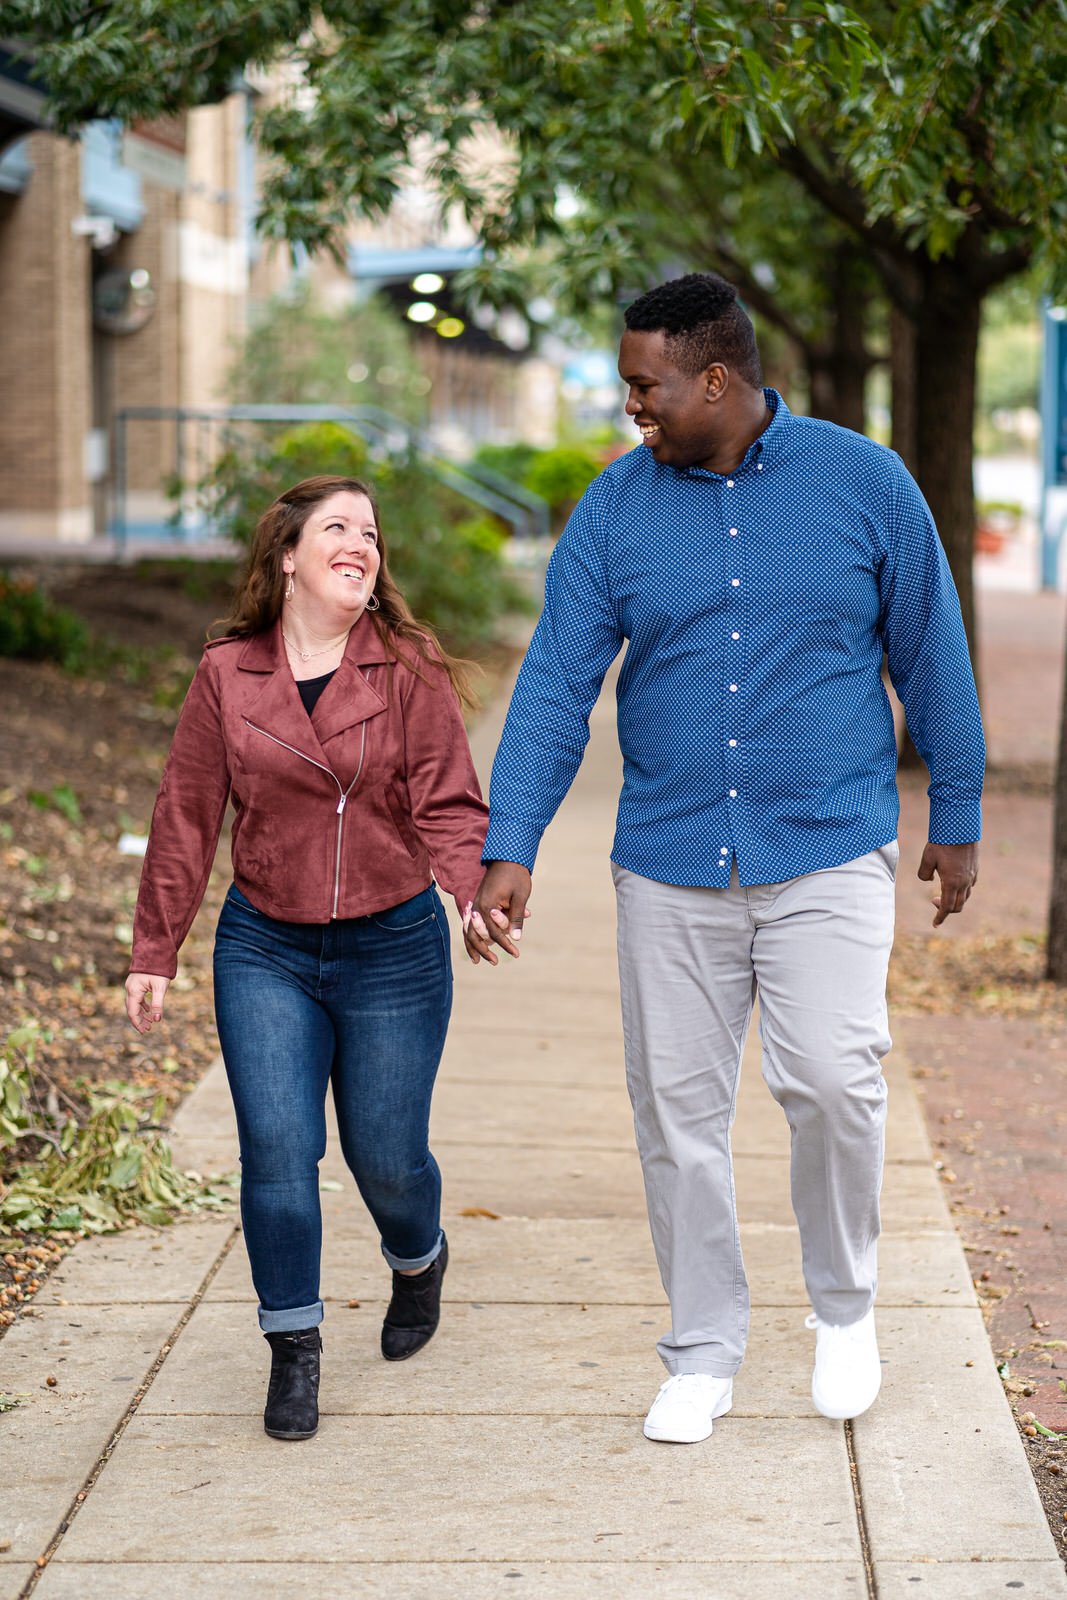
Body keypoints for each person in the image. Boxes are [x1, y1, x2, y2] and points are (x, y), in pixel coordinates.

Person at [464, 273, 983, 1444]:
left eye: (642, 385)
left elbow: (931, 653)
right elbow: (553, 684)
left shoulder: (866, 484)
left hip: (826, 848)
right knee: (677, 1112)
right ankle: (701, 1348)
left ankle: (843, 1310)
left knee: (834, 1079)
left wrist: (956, 811)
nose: (629, 407)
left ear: (714, 376)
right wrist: (513, 842)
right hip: (666, 861)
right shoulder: (612, 510)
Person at [125, 474, 488, 1442]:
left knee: (388, 1158)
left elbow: (450, 799)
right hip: (267, 946)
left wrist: (469, 893)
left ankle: (418, 1258)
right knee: (278, 1152)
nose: (360, 544)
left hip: (394, 948)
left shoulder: (405, 667)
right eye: (338, 528)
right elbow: (187, 813)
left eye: (371, 532)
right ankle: (294, 1347)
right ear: (288, 555)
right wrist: (153, 947)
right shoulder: (226, 674)